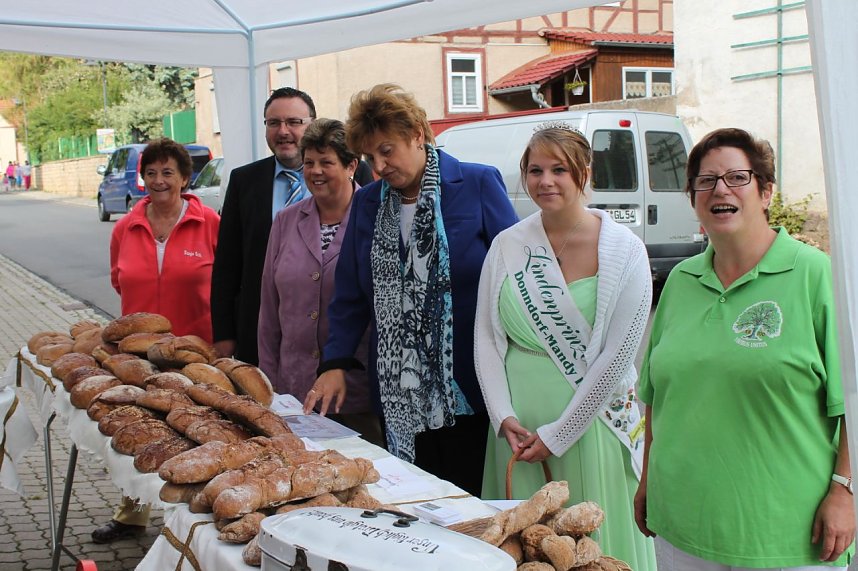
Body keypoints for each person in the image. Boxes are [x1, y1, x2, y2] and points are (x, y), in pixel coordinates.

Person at [634, 128, 854, 570]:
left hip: (784, 531)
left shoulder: (817, 276)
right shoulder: (680, 281)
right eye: (705, 180)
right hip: (683, 525)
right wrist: (648, 479)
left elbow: (852, 401)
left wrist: (845, 489)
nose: (719, 189)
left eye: (737, 177)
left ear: (766, 191)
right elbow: (659, 397)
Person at [304, 84, 518, 495]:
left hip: (473, 386)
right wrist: (335, 363)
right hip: (399, 394)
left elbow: (514, 276)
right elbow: (349, 295)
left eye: (387, 151)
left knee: (473, 501)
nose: (379, 166)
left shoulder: (475, 184)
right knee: (418, 501)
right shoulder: (367, 203)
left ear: (418, 134)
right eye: (369, 157)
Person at [474, 125, 655, 569]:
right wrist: (503, 417)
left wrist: (559, 435)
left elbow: (617, 358)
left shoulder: (626, 251)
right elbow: (486, 338)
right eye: (535, 170)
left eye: (559, 169)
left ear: (583, 174)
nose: (545, 180)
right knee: (523, 546)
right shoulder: (506, 246)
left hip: (589, 425)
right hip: (518, 430)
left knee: (592, 548)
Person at [100, 138, 219, 543]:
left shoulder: (209, 224)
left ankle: (191, 523)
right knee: (141, 431)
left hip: (194, 351)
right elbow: (120, 282)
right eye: (150, 172)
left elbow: (225, 285)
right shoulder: (124, 227)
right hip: (137, 354)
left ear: (185, 178)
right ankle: (131, 512)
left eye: (168, 172)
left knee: (192, 434)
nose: (158, 180)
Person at [258, 119, 383, 446]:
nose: (315, 171)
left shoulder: (377, 217)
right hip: (294, 391)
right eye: (309, 162)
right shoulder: (285, 221)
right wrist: (268, 384)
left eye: (326, 162)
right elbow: (270, 312)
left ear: (351, 165)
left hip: (357, 393)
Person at [211, 87, 315, 365]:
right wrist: (224, 333)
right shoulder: (245, 181)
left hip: (321, 329)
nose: (283, 131)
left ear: (313, 126)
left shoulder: (344, 174)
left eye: (294, 122)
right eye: (274, 123)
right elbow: (227, 264)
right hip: (258, 329)